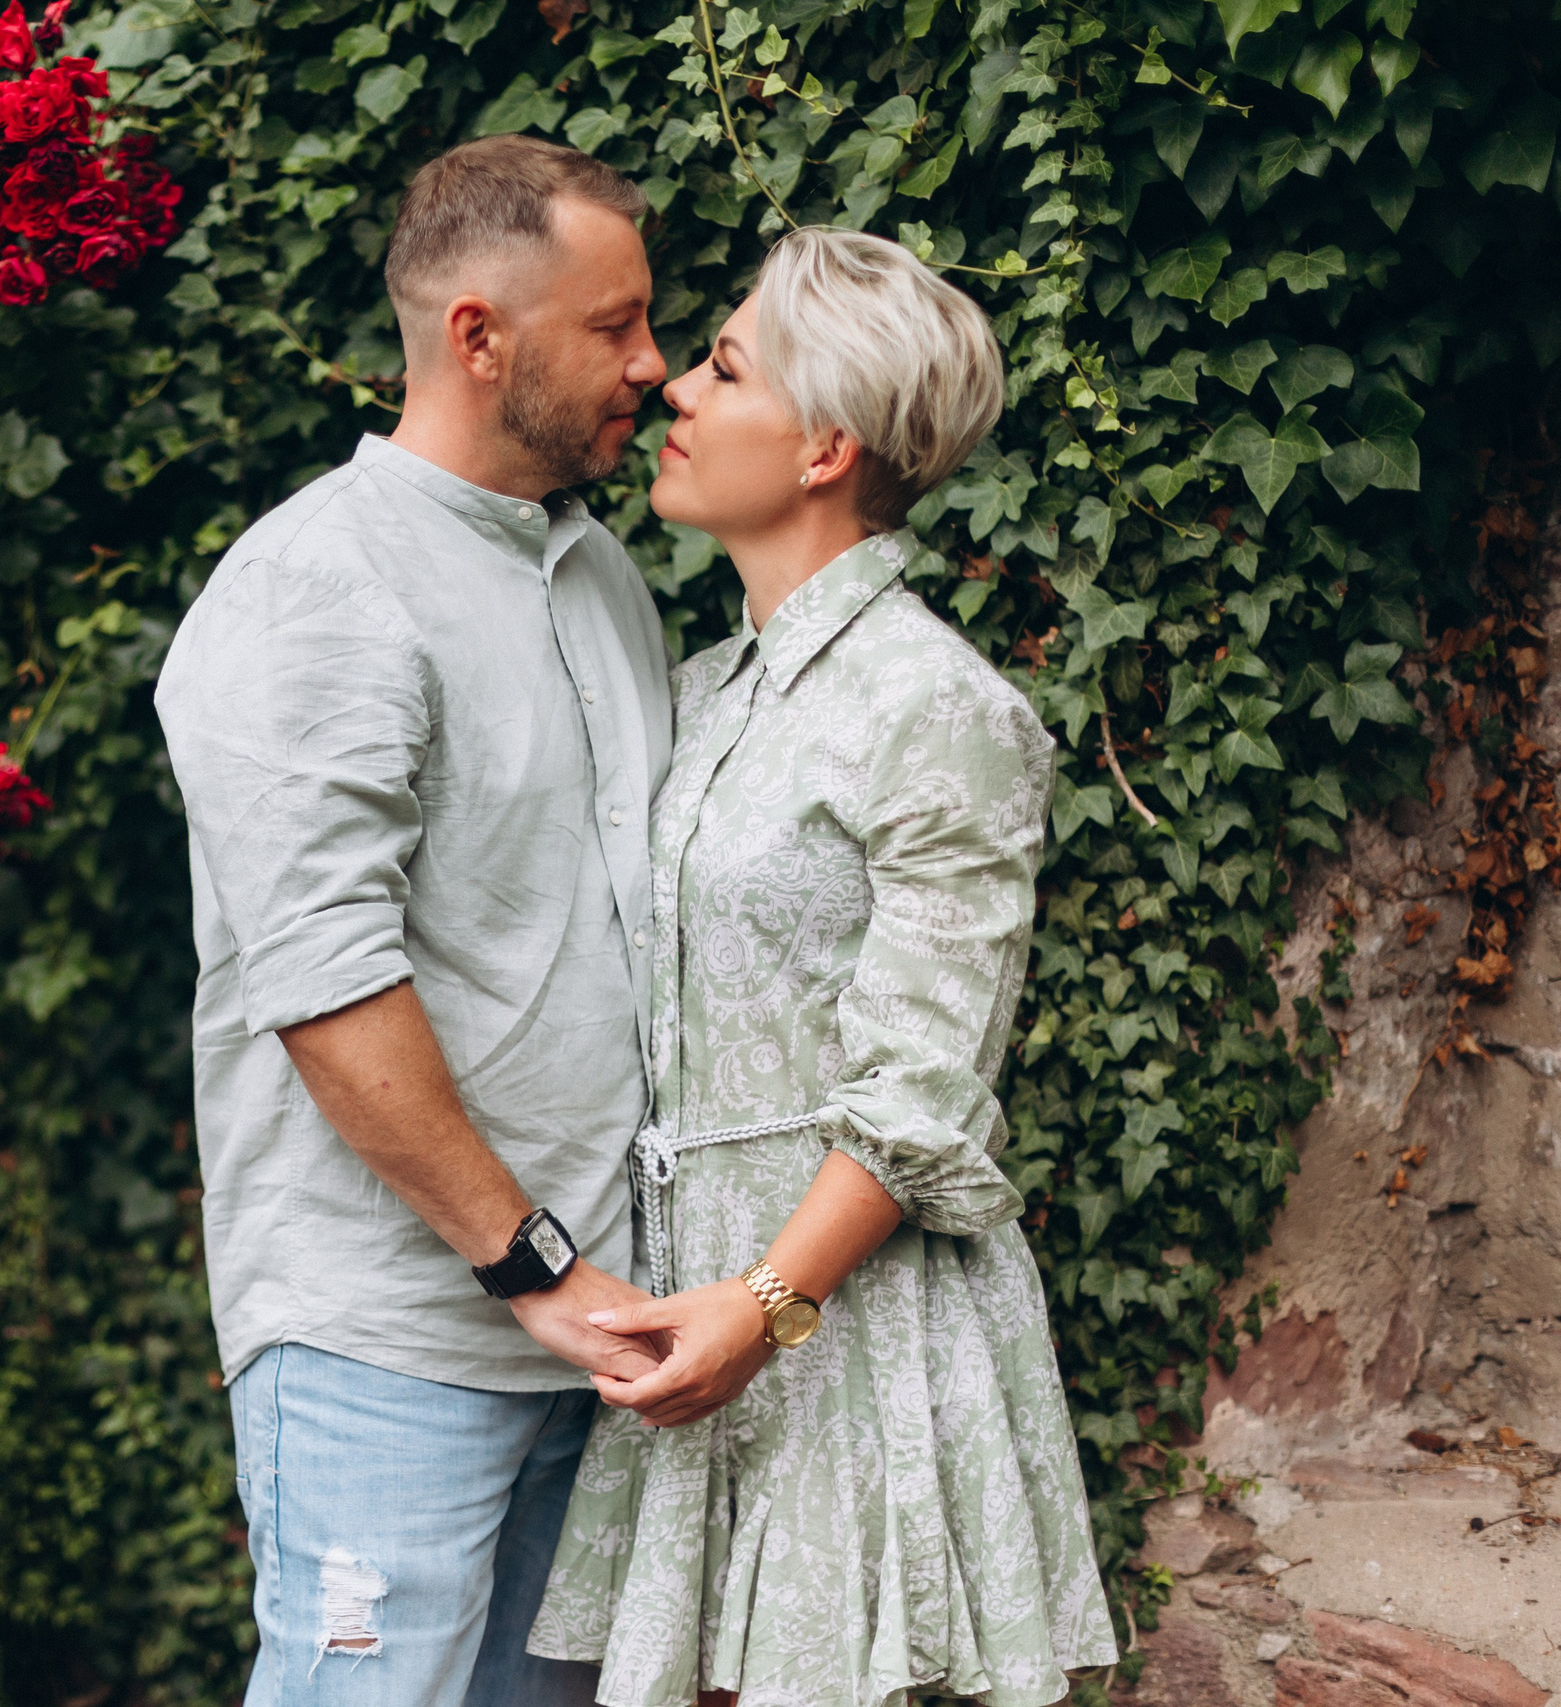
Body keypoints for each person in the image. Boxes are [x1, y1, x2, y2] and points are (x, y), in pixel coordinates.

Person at [526, 227, 1120, 1707]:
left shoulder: (943, 710)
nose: (671, 389)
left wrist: (767, 1305)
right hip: (687, 1300)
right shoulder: (703, 691)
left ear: (823, 447)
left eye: (723, 366)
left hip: (850, 1324)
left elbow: (925, 1082)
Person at [154, 134, 672, 1706]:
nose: (652, 364)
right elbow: (323, 989)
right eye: (615, 326)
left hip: (599, 1340)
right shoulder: (316, 591)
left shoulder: (601, 578)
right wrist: (531, 1266)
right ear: (477, 335)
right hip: (398, 1339)